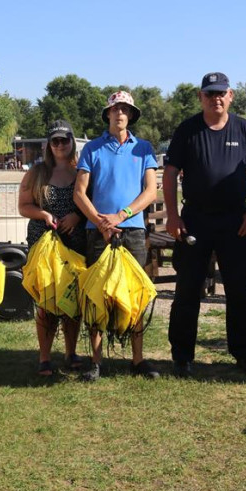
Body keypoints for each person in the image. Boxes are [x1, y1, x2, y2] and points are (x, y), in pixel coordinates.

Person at [164, 72, 246, 377]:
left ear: (231, 95)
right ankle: (182, 356)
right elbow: (170, 173)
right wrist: (173, 215)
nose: (216, 98)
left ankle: (244, 354)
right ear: (201, 97)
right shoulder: (188, 130)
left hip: (236, 221)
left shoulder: (243, 128)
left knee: (239, 291)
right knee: (187, 290)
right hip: (195, 220)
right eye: (210, 94)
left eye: (221, 93)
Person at [73, 91, 161, 382]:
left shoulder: (144, 148)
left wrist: (121, 215)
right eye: (115, 109)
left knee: (133, 293)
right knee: (97, 295)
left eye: (125, 109)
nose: (120, 113)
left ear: (131, 115)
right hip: (97, 232)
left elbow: (150, 191)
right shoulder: (92, 149)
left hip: (132, 230)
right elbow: (79, 193)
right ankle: (95, 361)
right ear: (108, 114)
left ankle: (137, 359)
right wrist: (100, 221)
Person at [17, 120, 86, 376]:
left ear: (72, 141)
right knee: (46, 301)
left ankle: (70, 351)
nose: (60, 145)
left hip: (74, 242)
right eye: (55, 141)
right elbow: (23, 206)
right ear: (49, 144)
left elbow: (91, 202)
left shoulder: (82, 170)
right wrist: (43, 214)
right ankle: (44, 357)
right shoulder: (36, 173)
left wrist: (77, 216)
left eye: (64, 140)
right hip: (43, 243)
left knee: (72, 300)